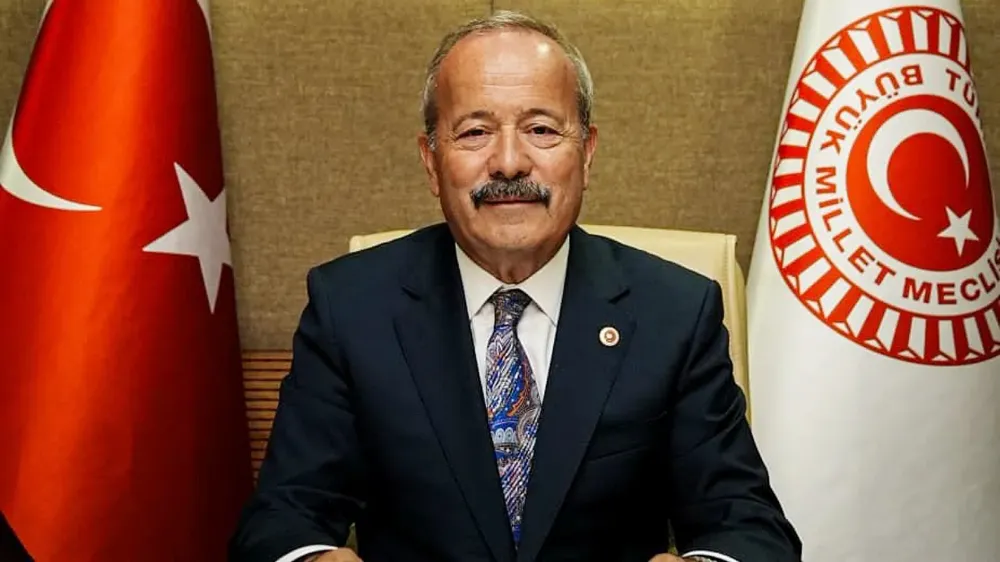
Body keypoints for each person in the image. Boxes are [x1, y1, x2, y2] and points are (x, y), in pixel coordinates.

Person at [229, 10, 801, 562]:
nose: (508, 163)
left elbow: (748, 528)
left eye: (541, 130)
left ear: (587, 153)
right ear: (431, 161)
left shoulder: (674, 314)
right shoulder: (352, 308)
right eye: (475, 132)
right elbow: (281, 520)